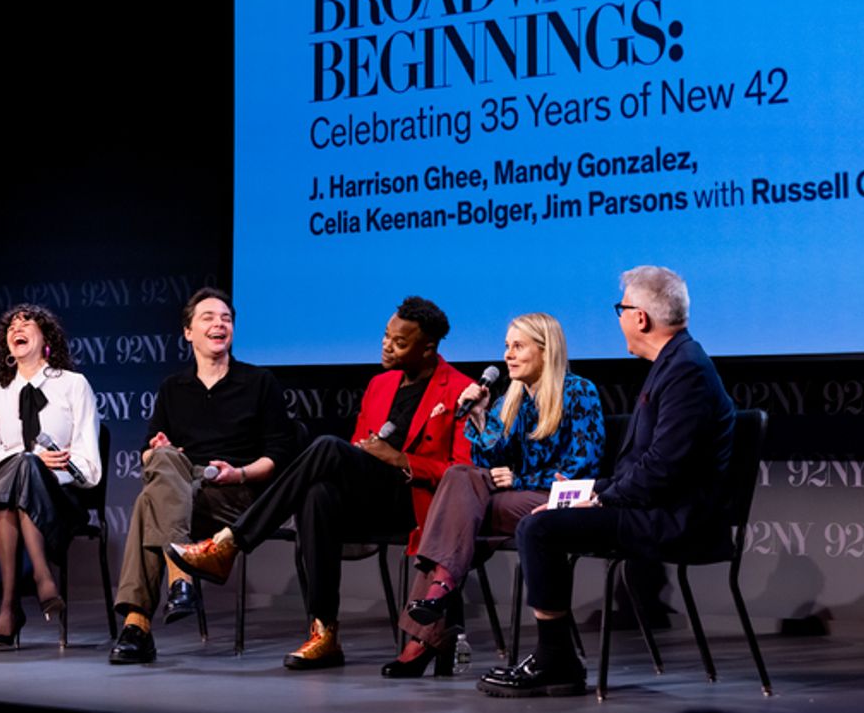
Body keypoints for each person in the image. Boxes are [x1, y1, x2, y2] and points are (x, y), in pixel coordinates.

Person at [167, 296, 474, 670]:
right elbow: (362, 449)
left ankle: (230, 542)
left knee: (328, 447)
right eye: (385, 336)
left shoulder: (459, 389)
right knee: (317, 494)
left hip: (415, 505)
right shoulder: (380, 384)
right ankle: (323, 632)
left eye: (400, 342)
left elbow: (461, 473)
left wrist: (400, 459)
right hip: (370, 499)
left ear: (428, 349)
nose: (386, 345)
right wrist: (370, 454)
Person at [477, 266, 736, 698]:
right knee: (547, 515)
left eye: (621, 310)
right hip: (652, 506)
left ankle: (555, 658)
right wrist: (593, 493)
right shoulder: (674, 364)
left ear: (640, 317)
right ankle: (556, 657)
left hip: (672, 518)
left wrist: (600, 501)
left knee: (538, 528)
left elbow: (662, 468)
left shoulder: (686, 370)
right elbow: (649, 466)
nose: (618, 320)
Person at [383, 312, 605, 677]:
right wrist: (481, 417)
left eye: (518, 347)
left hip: (557, 503)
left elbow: (581, 469)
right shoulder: (513, 397)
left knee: (454, 514)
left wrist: (520, 479)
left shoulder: (579, 392)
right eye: (506, 347)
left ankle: (427, 629)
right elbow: (486, 461)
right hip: (510, 503)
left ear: (546, 350)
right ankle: (440, 589)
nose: (508, 355)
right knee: (458, 476)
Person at [108, 288, 296, 664]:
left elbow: (280, 455)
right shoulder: (173, 388)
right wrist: (159, 448)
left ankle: (139, 622)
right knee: (163, 461)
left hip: (238, 496)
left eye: (226, 318)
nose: (219, 324)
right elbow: (147, 451)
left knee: (149, 504)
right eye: (208, 317)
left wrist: (239, 473)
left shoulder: (259, 382)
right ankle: (178, 582)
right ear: (188, 332)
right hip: (184, 491)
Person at [0, 304, 102, 648]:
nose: (18, 326)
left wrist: (54, 465)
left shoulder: (74, 385)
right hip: (4, 496)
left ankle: (10, 605)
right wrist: (29, 459)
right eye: (12, 324)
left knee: (26, 470)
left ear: (46, 338)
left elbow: (89, 466)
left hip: (61, 500)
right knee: (22, 468)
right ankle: (41, 579)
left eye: (27, 322)